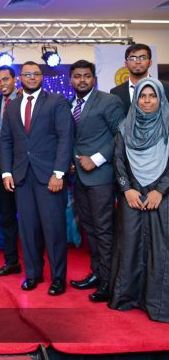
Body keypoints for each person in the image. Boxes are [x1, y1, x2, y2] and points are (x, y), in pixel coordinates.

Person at [0, 61, 73, 295]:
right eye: (27, 74)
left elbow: (65, 137)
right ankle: (33, 274)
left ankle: (58, 278)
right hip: (22, 177)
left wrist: (59, 172)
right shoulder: (12, 106)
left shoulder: (56, 101)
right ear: (19, 78)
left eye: (36, 74)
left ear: (41, 77)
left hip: (50, 176)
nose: (31, 77)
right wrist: (7, 172)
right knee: (28, 229)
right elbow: (6, 140)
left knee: (54, 230)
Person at [109, 78, 169, 322]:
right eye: (142, 96)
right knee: (130, 243)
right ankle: (127, 297)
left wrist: (160, 191)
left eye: (152, 96)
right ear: (136, 99)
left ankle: (158, 303)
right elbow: (118, 160)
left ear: (160, 99)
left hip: (162, 196)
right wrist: (127, 189)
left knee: (160, 247)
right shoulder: (126, 127)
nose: (147, 101)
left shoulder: (167, 125)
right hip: (132, 194)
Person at [68, 60, 125, 302]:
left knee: (103, 229)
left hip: (101, 176)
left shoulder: (109, 101)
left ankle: (109, 283)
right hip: (78, 177)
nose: (82, 80)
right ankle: (97, 273)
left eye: (86, 76)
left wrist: (98, 158)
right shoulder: (70, 104)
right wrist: (70, 161)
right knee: (89, 228)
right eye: (77, 76)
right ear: (71, 79)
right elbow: (72, 139)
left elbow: (121, 134)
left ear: (94, 78)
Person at [0, 65, 21, 277]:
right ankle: (11, 261)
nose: (2, 84)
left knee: (29, 216)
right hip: (1, 164)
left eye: (5, 79)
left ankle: (36, 262)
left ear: (15, 79)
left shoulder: (26, 100)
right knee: (6, 214)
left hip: (25, 164)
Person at [110, 43, 169, 113]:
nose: (138, 62)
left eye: (143, 58)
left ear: (150, 63)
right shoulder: (115, 92)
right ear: (126, 64)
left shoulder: (165, 87)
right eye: (133, 58)